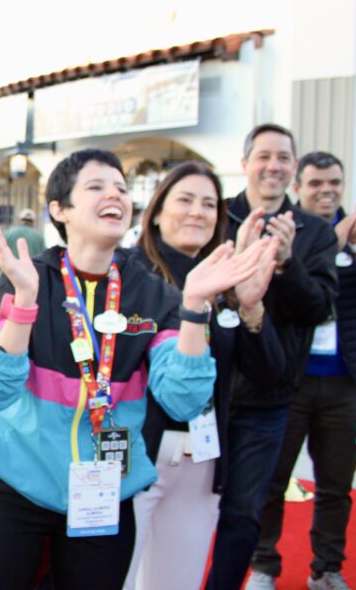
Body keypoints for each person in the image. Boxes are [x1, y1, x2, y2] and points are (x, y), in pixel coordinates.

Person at [0, 148, 267, 590]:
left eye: (122, 188)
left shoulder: (151, 293)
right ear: (60, 209)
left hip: (103, 499)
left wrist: (195, 307)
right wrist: (25, 304)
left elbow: (182, 397)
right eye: (97, 186)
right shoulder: (28, 278)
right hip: (15, 488)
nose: (115, 196)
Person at [122, 162, 285, 590]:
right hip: (135, 453)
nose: (198, 212)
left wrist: (251, 307)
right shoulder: (129, 272)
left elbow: (269, 373)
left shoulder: (225, 279)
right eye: (186, 200)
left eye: (210, 204)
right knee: (116, 575)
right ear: (156, 211)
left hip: (201, 456)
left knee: (176, 581)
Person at [205, 124, 338, 590]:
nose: (274, 166)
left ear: (294, 168)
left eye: (284, 157)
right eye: (264, 156)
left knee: (245, 506)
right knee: (186, 503)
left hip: (270, 395)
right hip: (207, 391)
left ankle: (235, 578)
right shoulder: (216, 218)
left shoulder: (315, 232)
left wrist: (286, 263)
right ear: (245, 164)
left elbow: (319, 308)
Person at [248, 152, 356, 590]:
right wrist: (328, 243)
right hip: (292, 378)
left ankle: (327, 568)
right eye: (317, 182)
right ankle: (264, 564)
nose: (327, 190)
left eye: (335, 182)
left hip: (345, 381)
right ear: (298, 186)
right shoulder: (288, 232)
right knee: (273, 479)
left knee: (336, 483)